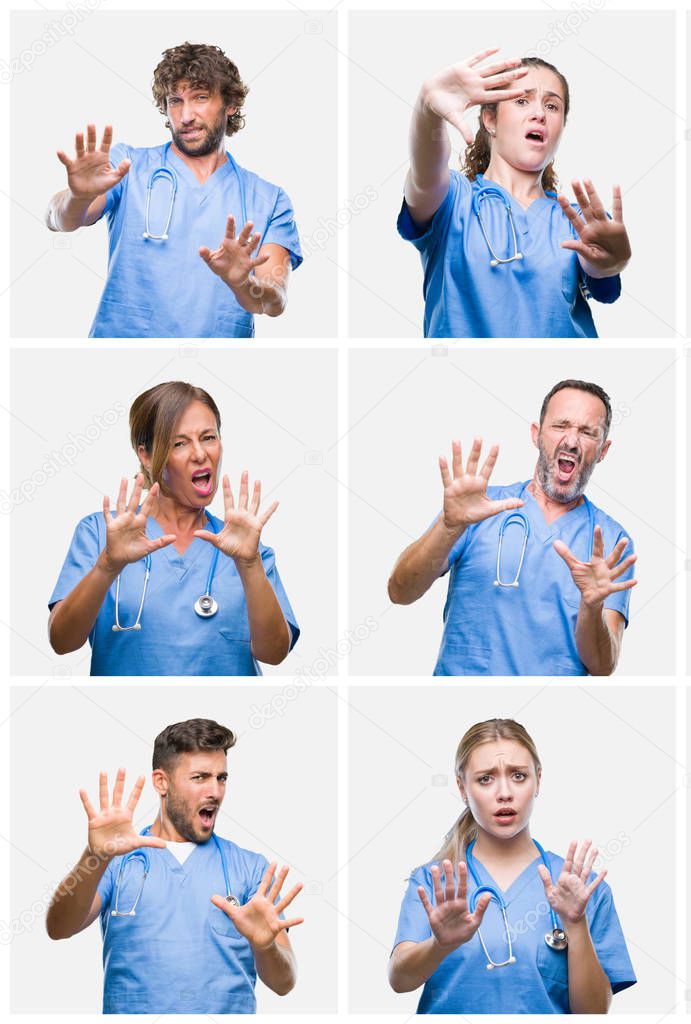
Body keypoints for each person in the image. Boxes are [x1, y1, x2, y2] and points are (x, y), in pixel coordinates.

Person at [46, 719, 304, 1014]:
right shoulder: (116, 862)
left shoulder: (251, 869)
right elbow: (58, 928)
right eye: (200, 777)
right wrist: (94, 857)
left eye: (221, 778)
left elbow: (285, 983)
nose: (216, 792)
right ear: (161, 782)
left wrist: (264, 946)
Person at [47, 42, 302, 338]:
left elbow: (275, 301)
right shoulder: (127, 167)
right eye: (175, 101)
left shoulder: (269, 200)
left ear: (230, 104)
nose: (185, 116)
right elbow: (58, 219)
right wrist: (79, 197)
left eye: (200, 98)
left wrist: (243, 284)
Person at [388, 379, 636, 675]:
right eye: (561, 426)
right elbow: (400, 592)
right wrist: (449, 525)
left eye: (587, 432)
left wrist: (592, 606)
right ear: (536, 434)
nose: (571, 441)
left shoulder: (612, 541)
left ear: (603, 450)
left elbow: (602, 667)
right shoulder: (477, 508)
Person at [49, 381, 299, 675]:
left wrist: (249, 564)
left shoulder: (244, 546)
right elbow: (62, 642)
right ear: (146, 455)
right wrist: (107, 565)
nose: (199, 454)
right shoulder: (99, 533)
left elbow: (273, 654)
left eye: (208, 437)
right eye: (179, 443)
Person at [389, 718, 636, 1013]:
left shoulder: (583, 889)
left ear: (538, 780)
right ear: (462, 788)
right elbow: (399, 980)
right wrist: (439, 945)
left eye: (518, 776)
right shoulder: (433, 881)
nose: (504, 793)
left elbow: (593, 1014)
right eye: (485, 779)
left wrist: (575, 924)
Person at [400, 49, 631, 338]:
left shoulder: (580, 220)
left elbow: (603, 281)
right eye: (522, 101)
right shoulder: (453, 201)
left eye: (552, 106)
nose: (539, 114)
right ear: (490, 120)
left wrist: (612, 263)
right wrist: (427, 108)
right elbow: (425, 173)